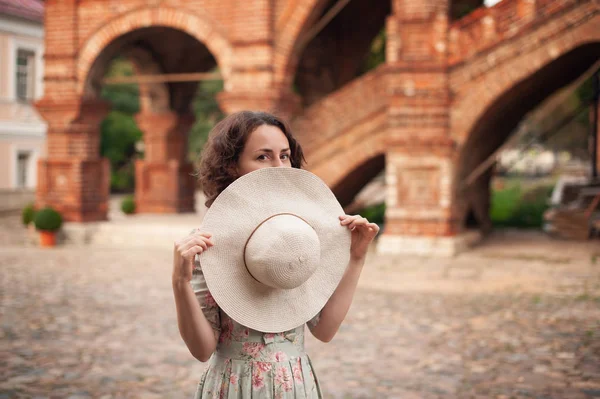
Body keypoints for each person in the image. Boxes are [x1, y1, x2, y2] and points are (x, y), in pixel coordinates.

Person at [172, 111, 379, 398]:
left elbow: (325, 330)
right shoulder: (209, 242)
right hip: (235, 387)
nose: (279, 165)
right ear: (232, 166)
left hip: (295, 385)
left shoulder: (304, 233)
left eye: (285, 155)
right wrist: (179, 282)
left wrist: (356, 257)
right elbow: (202, 349)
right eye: (263, 157)